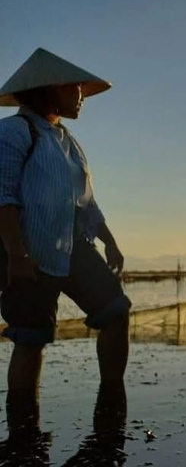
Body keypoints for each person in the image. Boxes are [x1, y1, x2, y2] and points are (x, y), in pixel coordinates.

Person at [0, 48, 131, 403]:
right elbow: (3, 197)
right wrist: (16, 256)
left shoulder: (69, 142)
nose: (81, 95)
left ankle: (112, 403)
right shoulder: (13, 132)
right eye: (75, 87)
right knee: (31, 337)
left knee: (116, 312)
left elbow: (86, 202)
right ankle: (24, 426)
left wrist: (109, 241)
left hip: (72, 246)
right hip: (30, 250)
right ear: (50, 88)